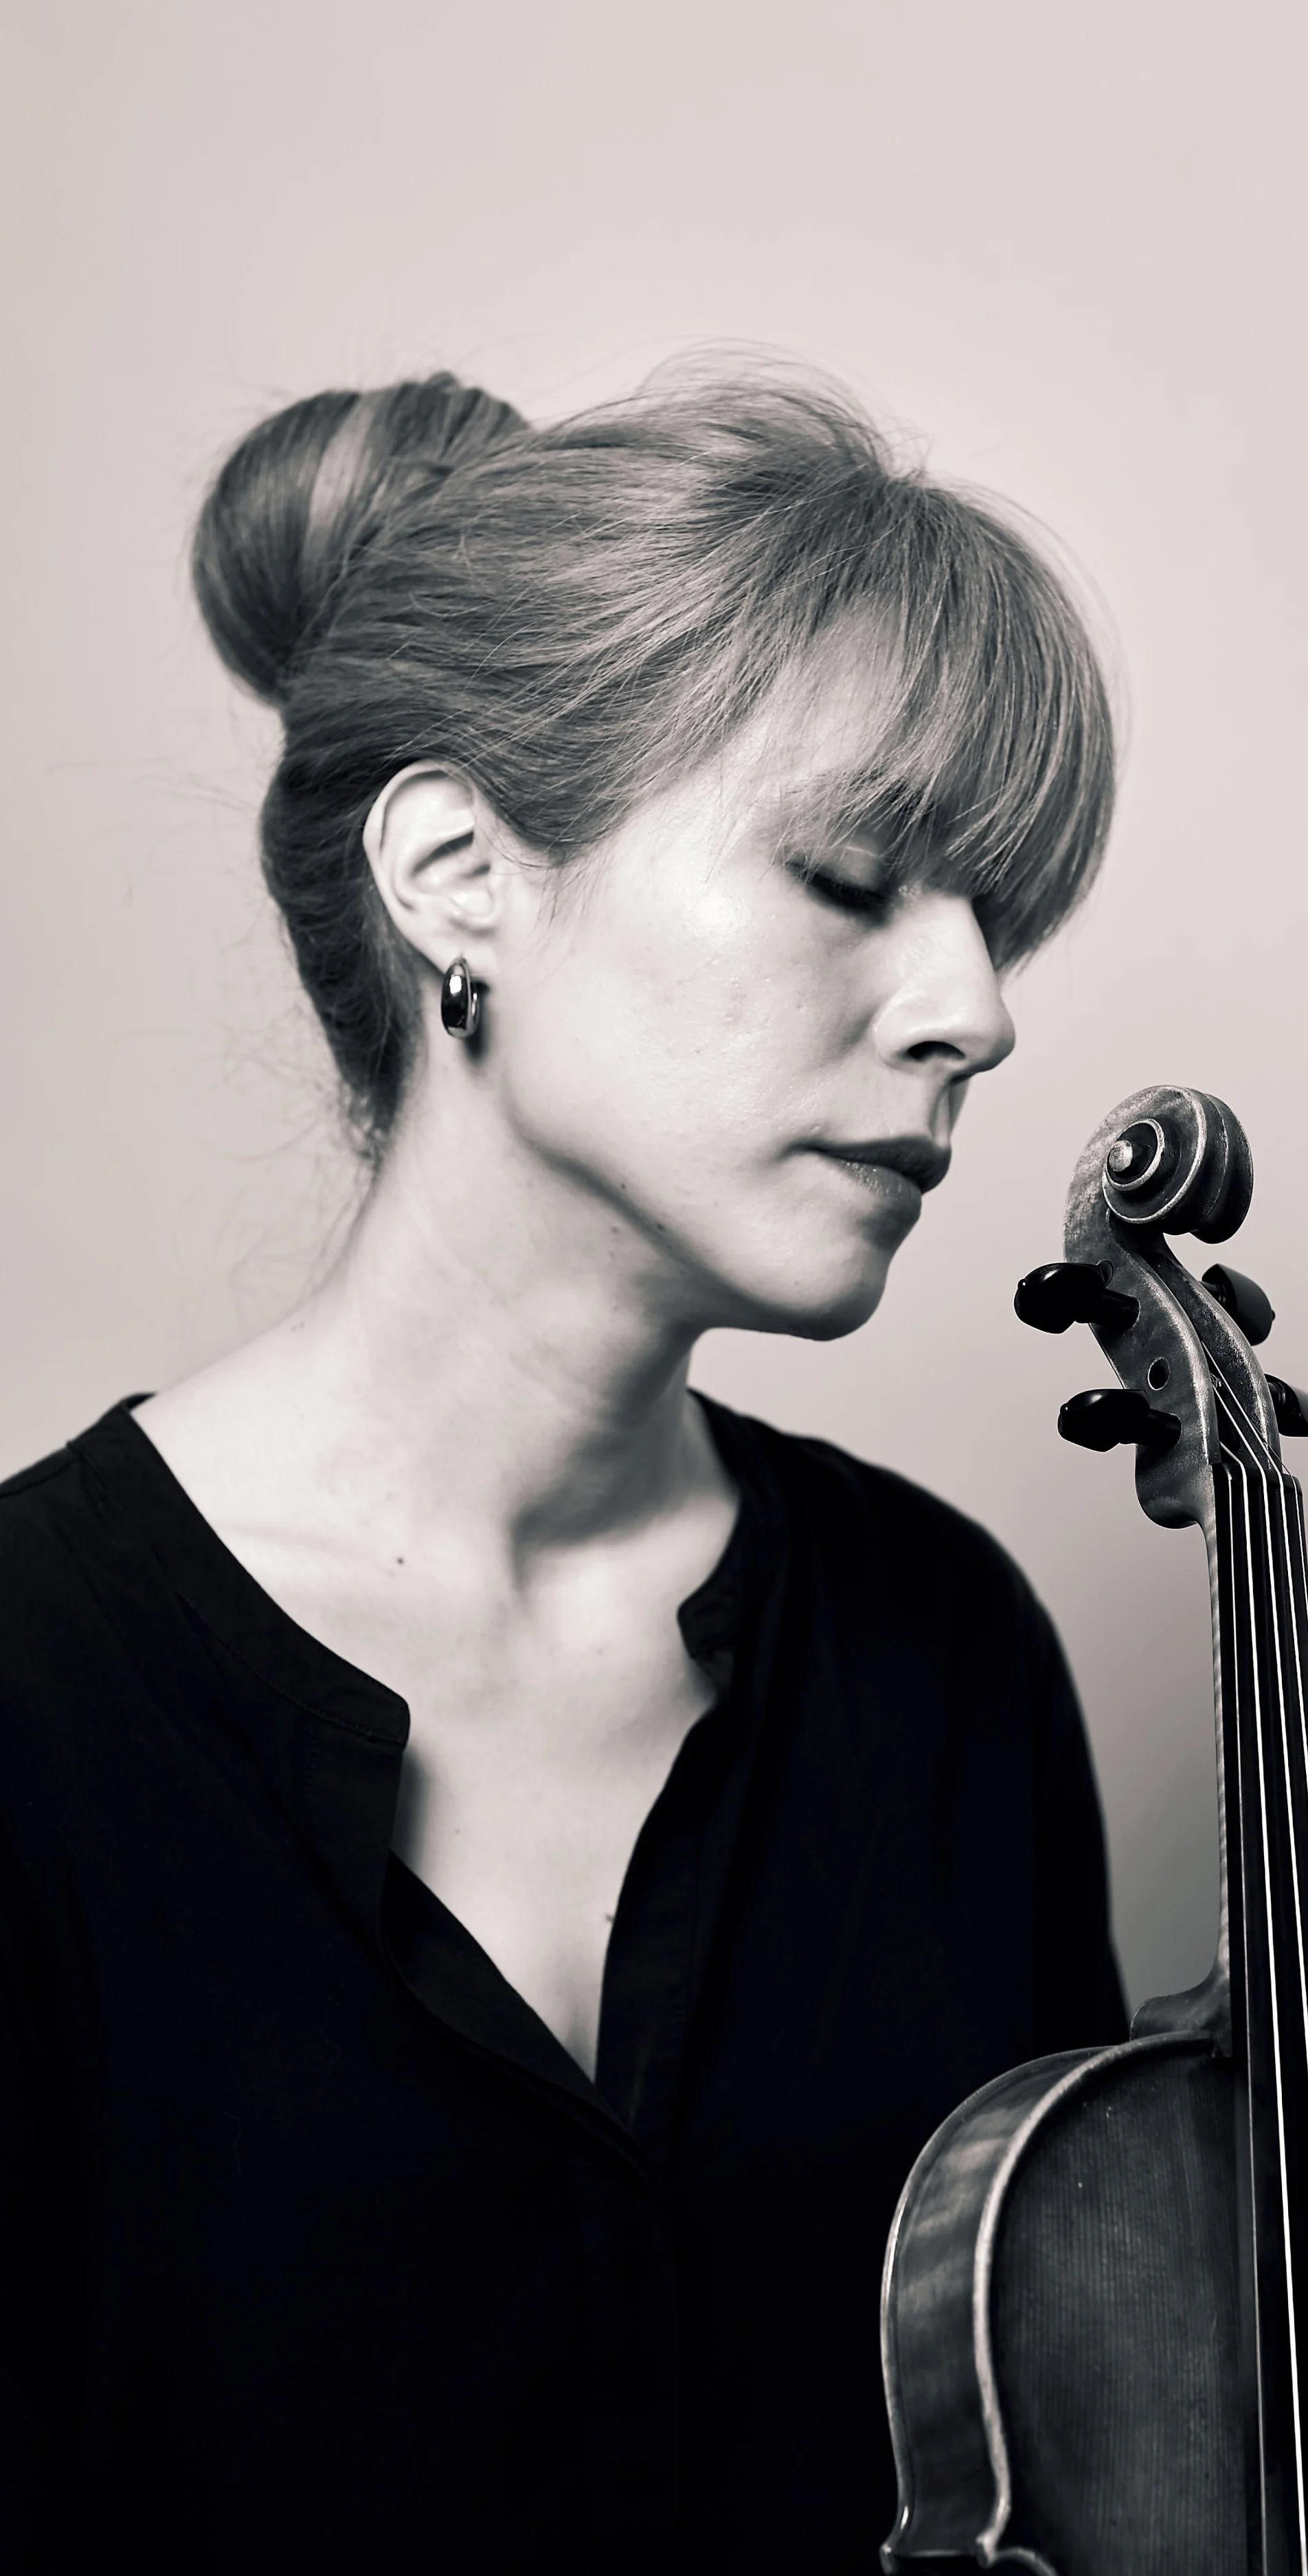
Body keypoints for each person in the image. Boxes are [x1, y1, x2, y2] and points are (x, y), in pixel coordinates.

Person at [0, 363, 1129, 2573]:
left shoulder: (946, 1654)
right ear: (455, 875)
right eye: (850, 873)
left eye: (995, 915)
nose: (975, 1010)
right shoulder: (31, 1696)